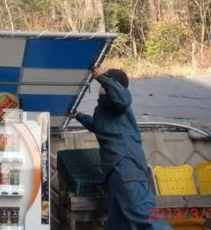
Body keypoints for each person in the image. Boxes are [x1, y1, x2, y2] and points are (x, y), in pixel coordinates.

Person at [72, 67, 170, 230]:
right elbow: (97, 126)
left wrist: (103, 77)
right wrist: (79, 115)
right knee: (118, 224)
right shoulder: (104, 108)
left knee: (144, 215)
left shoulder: (116, 102)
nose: (98, 87)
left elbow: (123, 97)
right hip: (116, 171)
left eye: (103, 84)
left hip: (126, 166)